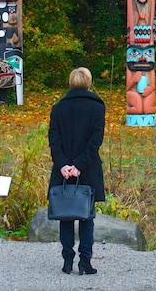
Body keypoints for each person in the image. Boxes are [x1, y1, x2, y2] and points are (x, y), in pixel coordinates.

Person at [48, 67, 106, 275]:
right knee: (86, 216)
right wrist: (79, 166)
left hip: (62, 171)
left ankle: (67, 261)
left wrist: (63, 164)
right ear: (89, 83)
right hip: (87, 169)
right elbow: (95, 142)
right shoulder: (97, 108)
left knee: (66, 215)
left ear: (70, 83)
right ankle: (85, 262)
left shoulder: (58, 108)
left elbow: (54, 141)